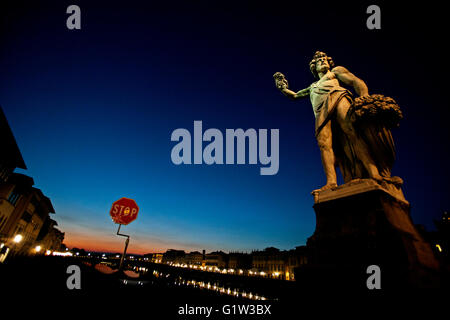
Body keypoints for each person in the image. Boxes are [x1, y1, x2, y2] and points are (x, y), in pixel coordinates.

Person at [274, 51, 384, 191]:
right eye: (319, 60)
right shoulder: (313, 86)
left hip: (338, 98)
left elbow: (355, 81)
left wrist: (364, 96)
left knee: (352, 133)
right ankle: (331, 182)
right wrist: (283, 88)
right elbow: (295, 95)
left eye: (324, 59)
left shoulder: (335, 72)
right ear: (314, 68)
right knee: (324, 144)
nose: (322, 61)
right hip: (321, 112)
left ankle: (373, 172)